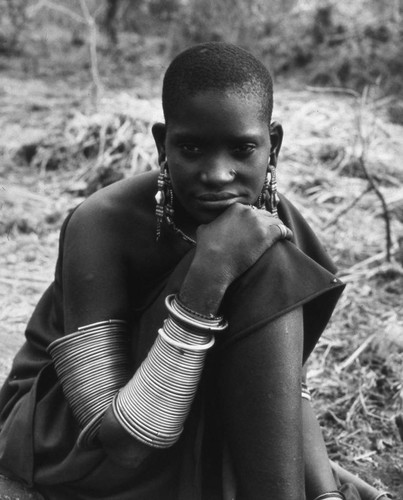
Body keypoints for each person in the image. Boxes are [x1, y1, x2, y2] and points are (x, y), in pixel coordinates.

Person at [0, 42, 391, 500]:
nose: (218, 174)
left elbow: (280, 383)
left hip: (179, 411)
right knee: (258, 262)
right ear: (161, 142)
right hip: (75, 437)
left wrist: (323, 491)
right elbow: (121, 441)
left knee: (265, 257)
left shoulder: (271, 220)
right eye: (191, 147)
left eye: (243, 148)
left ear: (274, 144)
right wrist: (207, 277)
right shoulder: (101, 223)